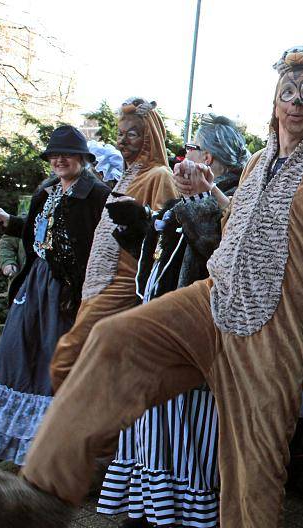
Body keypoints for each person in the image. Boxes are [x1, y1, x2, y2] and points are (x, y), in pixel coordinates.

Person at [0, 45, 303, 528]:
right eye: (288, 92)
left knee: (253, 470)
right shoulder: (257, 163)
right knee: (114, 339)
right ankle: (40, 497)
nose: (296, 102)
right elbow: (240, 226)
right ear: (274, 101)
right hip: (212, 301)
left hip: (273, 332)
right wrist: (211, 193)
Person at [95, 115, 249, 528]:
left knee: (186, 429)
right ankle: (152, 507)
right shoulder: (186, 195)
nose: (185, 156)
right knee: (155, 424)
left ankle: (185, 514)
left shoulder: (232, 195)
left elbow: (223, 253)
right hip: (161, 328)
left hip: (196, 336)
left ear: (210, 156)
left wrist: (200, 200)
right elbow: (162, 254)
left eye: (193, 148)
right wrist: (136, 225)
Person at [0, 125, 110, 465]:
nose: (59, 160)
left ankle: (44, 448)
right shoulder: (46, 191)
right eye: (54, 155)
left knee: (52, 361)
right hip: (35, 282)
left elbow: (105, 244)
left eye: (67, 154)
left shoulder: (98, 195)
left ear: (82, 158)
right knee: (15, 354)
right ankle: (0, 443)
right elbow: (39, 232)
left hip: (67, 290)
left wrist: (85, 292)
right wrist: (10, 222)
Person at [49, 97, 177, 390]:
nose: (123, 141)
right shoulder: (127, 176)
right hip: (98, 283)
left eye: (132, 133)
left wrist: (139, 218)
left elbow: (163, 236)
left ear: (149, 137)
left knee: (69, 358)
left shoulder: (159, 175)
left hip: (121, 283)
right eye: (120, 133)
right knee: (93, 364)